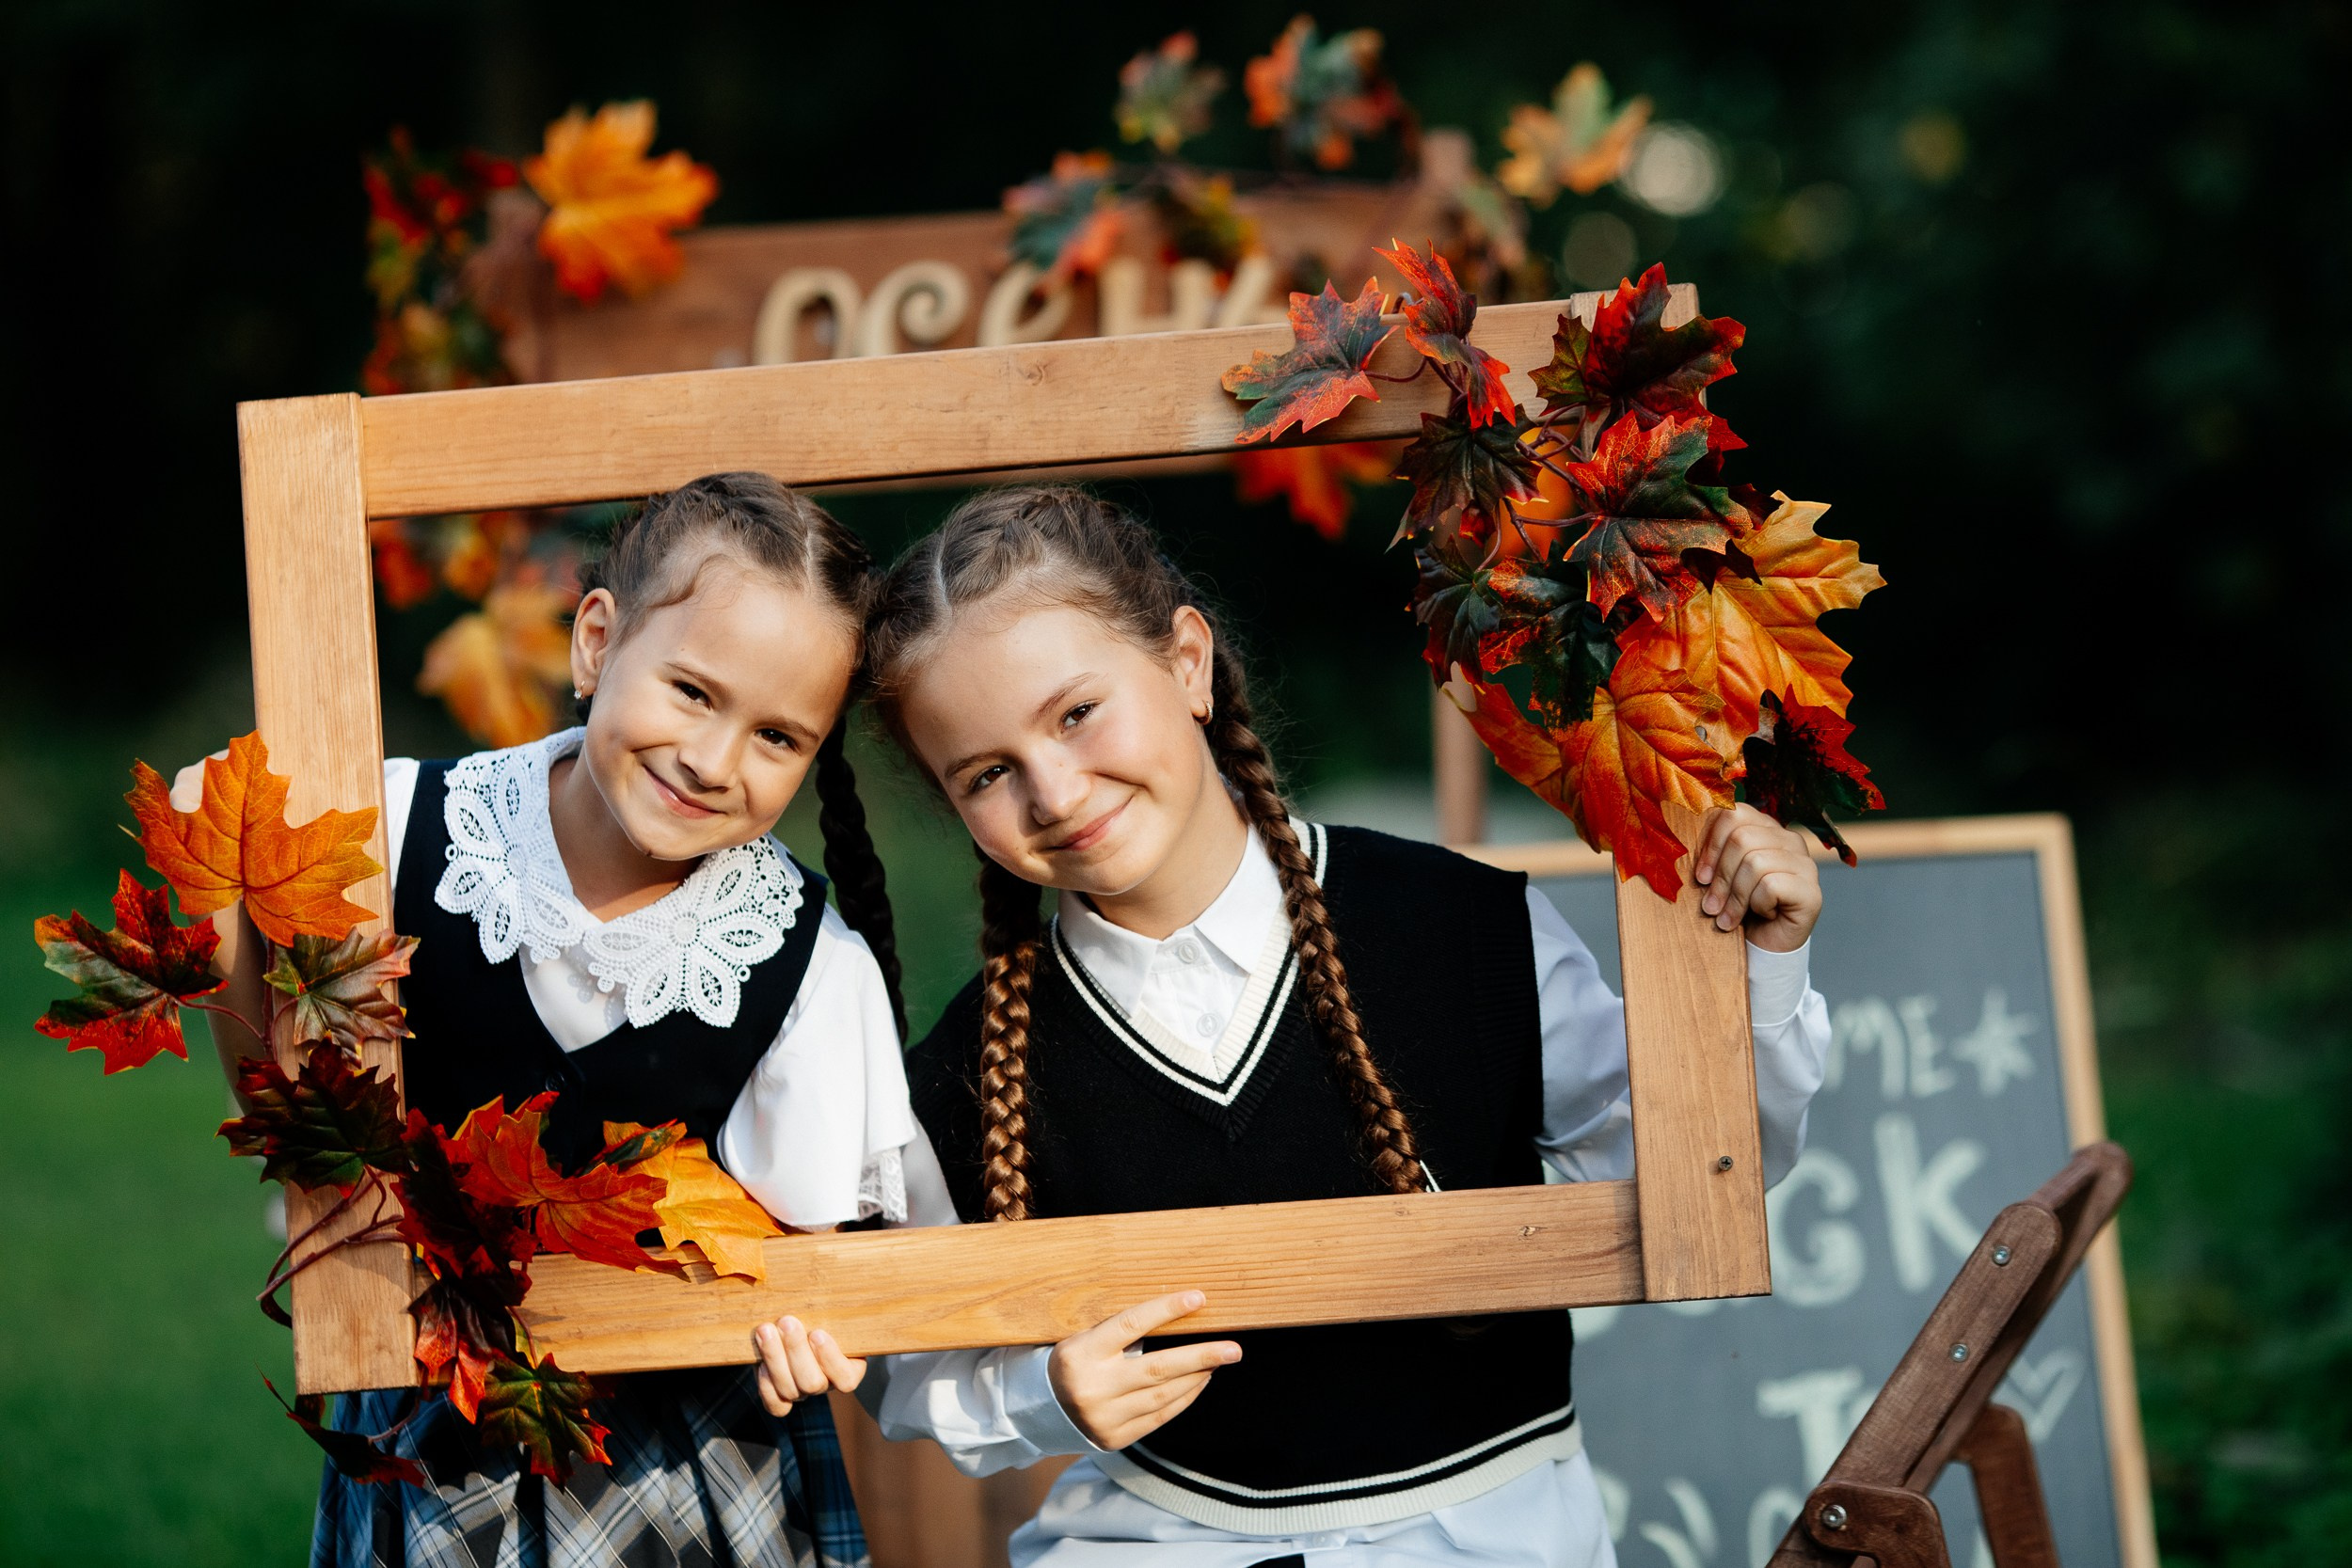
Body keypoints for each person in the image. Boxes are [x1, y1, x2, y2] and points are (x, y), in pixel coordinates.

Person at [752, 485, 1835, 1568]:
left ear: (1185, 662)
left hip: (1492, 1538)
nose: (1054, 787)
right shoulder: (968, 1068)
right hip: (1154, 1542)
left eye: (1076, 712)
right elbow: (912, 1357)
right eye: (985, 773)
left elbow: (1688, 1162)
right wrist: (1046, 1392)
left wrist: (1761, 970)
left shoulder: (1463, 928)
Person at [189, 473, 913, 1568]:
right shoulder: (391, 830)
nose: (714, 761)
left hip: (688, 1459)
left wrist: (816, 1331)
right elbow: (294, 1111)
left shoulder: (805, 963)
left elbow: (809, 1262)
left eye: (778, 736)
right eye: (691, 691)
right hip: (439, 1415)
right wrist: (218, 901)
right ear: (594, 642)